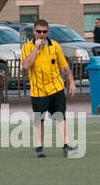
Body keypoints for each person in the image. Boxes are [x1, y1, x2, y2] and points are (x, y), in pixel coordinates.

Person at [20, 18, 77, 157]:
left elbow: (64, 66)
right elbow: (26, 65)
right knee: (39, 119)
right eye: (38, 31)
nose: (41, 34)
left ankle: (66, 145)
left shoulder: (55, 46)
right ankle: (39, 148)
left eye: (44, 32)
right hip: (38, 91)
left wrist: (71, 82)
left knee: (60, 116)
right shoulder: (27, 47)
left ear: (47, 32)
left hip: (56, 88)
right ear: (34, 31)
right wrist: (35, 49)